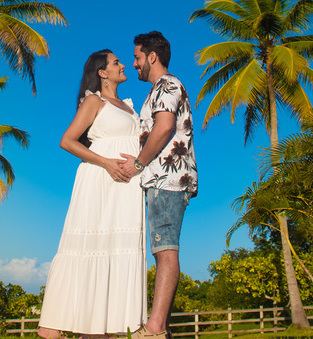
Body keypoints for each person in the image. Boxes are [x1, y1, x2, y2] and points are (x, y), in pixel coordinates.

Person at [36, 50, 148, 339]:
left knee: (116, 251)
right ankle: (51, 329)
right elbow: (67, 141)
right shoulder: (93, 101)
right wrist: (107, 163)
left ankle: (99, 331)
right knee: (87, 250)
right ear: (102, 73)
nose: (123, 65)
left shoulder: (127, 106)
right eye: (116, 63)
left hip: (126, 189)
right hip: (100, 182)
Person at [118, 30, 198, 339]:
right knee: (162, 249)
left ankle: (155, 328)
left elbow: (164, 128)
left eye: (137, 57)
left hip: (168, 179)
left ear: (152, 57)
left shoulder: (167, 84)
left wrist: (138, 163)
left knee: (165, 250)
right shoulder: (158, 90)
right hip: (163, 179)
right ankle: (156, 326)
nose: (134, 63)